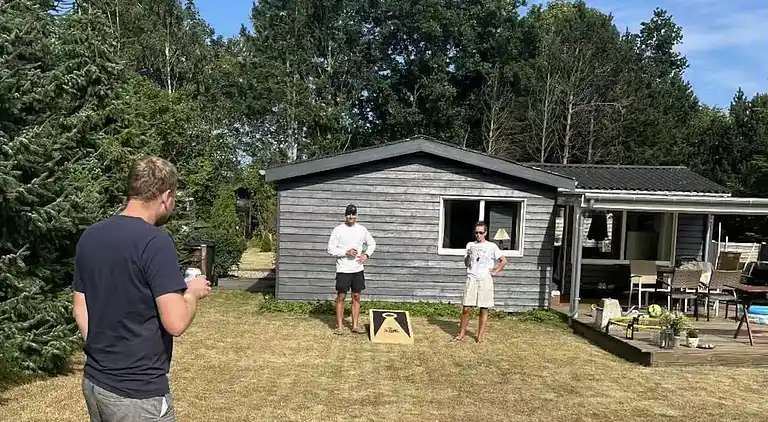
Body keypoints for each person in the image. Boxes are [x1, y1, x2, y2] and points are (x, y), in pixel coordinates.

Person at [71, 157, 212, 421]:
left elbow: (80, 308)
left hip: (95, 382)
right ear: (166, 197)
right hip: (138, 394)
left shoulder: (90, 236)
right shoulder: (155, 242)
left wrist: (107, 354)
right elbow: (176, 322)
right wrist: (192, 293)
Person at [453, 221, 507, 343]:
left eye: (481, 232)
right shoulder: (470, 245)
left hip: (485, 279)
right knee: (466, 308)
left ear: (485, 233)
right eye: (476, 232)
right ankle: (461, 333)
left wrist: (495, 272)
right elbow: (466, 263)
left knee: (484, 308)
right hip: (472, 277)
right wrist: (468, 255)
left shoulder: (491, 246)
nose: (478, 235)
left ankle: (480, 336)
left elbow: (503, 260)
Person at [326, 204, 376, 335]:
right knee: (341, 297)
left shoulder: (362, 230)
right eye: (349, 214)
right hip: (343, 269)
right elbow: (330, 249)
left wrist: (366, 255)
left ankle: (355, 326)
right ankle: (339, 327)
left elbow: (372, 243)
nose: (351, 216)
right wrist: (345, 252)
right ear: (345, 215)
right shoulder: (338, 230)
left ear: (356, 215)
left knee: (356, 296)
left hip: (357, 269)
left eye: (353, 214)